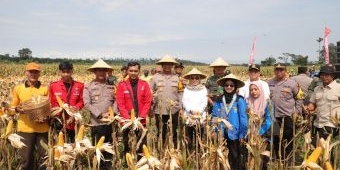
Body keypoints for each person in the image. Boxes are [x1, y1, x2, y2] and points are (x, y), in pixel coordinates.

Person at [11, 62, 49, 170]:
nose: (33, 74)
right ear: (25, 73)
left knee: (45, 159)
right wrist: (17, 109)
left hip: (42, 129)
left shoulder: (45, 89)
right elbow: (12, 108)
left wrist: (46, 117)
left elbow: (48, 108)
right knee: (26, 160)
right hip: (24, 129)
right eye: (30, 72)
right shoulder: (18, 89)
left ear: (39, 74)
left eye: (36, 72)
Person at [268, 63, 303, 162]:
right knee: (276, 140)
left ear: (285, 71)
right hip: (274, 118)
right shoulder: (269, 83)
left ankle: (289, 160)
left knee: (288, 140)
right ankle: (280, 160)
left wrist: (297, 111)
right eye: (277, 70)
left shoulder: (293, 83)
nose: (279, 72)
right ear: (274, 71)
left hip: (288, 117)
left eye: (281, 70)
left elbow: (300, 97)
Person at [83, 59, 115, 169]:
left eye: (103, 71)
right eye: (99, 71)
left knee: (109, 146)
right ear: (95, 72)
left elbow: (117, 100)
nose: (101, 73)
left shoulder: (112, 85)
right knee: (98, 147)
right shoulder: (89, 86)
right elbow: (87, 103)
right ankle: (98, 167)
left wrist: (112, 113)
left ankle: (109, 166)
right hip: (96, 122)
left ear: (106, 72)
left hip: (110, 122)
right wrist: (100, 115)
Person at [211, 73, 248, 170]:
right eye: (226, 85)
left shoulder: (239, 100)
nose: (229, 87)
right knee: (221, 155)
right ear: (223, 86)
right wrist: (214, 130)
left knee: (235, 156)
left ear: (235, 87)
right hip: (220, 132)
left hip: (234, 133)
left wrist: (242, 134)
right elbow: (214, 116)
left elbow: (243, 119)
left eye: (232, 85)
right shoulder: (219, 100)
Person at [116, 61, 152, 154]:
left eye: (135, 71)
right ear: (127, 71)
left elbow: (147, 102)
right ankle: (128, 163)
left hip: (141, 121)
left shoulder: (145, 84)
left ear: (139, 71)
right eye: (131, 71)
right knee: (127, 143)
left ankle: (139, 164)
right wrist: (129, 120)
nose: (133, 73)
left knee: (141, 144)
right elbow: (120, 104)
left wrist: (141, 117)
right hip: (127, 121)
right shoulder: (121, 85)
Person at [149, 54, 181, 148]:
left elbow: (180, 94)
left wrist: (181, 107)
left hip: (174, 110)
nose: (167, 66)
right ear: (162, 65)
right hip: (159, 110)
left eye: (169, 64)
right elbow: (150, 92)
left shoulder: (177, 78)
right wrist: (151, 107)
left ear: (172, 66)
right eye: (165, 64)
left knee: (173, 132)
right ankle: (161, 150)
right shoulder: (155, 77)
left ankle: (173, 151)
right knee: (160, 132)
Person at [49, 61, 84, 143]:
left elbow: (82, 101)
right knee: (59, 145)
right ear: (59, 72)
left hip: (73, 121)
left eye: (68, 72)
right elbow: (50, 102)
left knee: (73, 144)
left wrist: (77, 107)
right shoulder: (53, 86)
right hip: (58, 121)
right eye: (63, 72)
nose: (66, 74)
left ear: (72, 71)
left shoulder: (79, 86)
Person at [307, 65, 340, 142]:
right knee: (324, 150)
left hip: (332, 124)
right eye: (322, 75)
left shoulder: (338, 88)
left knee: (316, 145)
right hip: (317, 123)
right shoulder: (317, 89)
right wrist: (307, 108)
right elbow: (312, 104)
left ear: (333, 76)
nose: (324, 77)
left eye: (327, 75)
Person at [247, 81, 272, 170]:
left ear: (260, 90)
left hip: (263, 134)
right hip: (250, 135)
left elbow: (269, 120)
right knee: (251, 157)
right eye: (251, 90)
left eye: (256, 89)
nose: (253, 92)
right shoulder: (248, 102)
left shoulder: (267, 102)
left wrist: (259, 132)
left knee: (262, 158)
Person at [181, 68, 208, 150]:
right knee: (188, 137)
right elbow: (184, 101)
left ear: (200, 79)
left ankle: (198, 155)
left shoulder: (203, 89)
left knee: (198, 137)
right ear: (189, 79)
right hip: (189, 116)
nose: (194, 80)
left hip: (200, 117)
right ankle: (189, 154)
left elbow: (204, 102)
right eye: (192, 78)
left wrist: (198, 112)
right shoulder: (186, 89)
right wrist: (190, 111)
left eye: (197, 78)